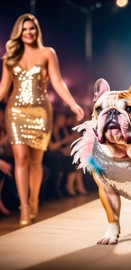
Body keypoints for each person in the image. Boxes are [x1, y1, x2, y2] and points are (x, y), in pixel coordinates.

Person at [0, 13, 84, 226]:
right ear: (18, 32)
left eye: (32, 29)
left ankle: (34, 199)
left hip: (40, 113)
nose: (29, 32)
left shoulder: (48, 53)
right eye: (25, 29)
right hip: (16, 112)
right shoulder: (10, 58)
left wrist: (73, 104)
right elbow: (3, 88)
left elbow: (57, 82)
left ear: (36, 31)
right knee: (21, 159)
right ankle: (24, 208)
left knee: (36, 163)